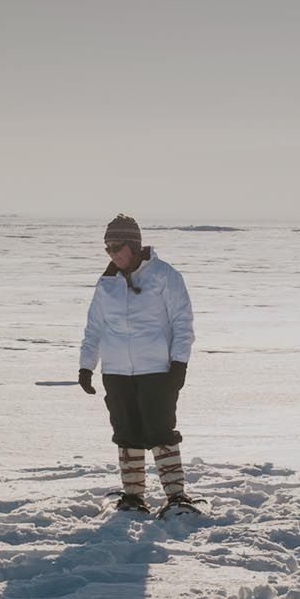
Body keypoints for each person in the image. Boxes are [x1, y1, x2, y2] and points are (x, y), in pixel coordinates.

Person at [77, 214, 198, 516]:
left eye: (117, 246)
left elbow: (182, 323)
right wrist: (86, 366)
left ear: (133, 244)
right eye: (107, 248)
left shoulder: (164, 275)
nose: (113, 254)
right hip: (116, 372)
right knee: (126, 432)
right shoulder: (106, 284)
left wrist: (179, 364)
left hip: (157, 371)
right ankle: (133, 498)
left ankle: (176, 498)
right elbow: (94, 327)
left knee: (160, 431)